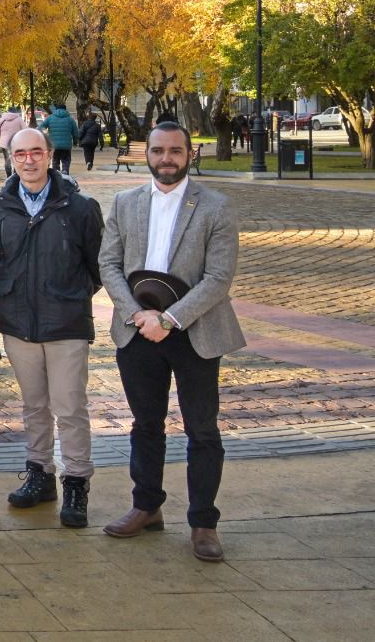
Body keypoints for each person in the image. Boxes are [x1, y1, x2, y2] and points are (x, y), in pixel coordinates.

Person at [99, 122, 244, 562]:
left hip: (195, 332)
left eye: (175, 151)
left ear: (189, 154)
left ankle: (203, 522)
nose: (167, 158)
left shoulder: (216, 206)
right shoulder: (125, 203)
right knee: (146, 425)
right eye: (159, 150)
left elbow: (219, 277)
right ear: (148, 154)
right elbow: (109, 264)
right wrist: (137, 315)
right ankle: (147, 506)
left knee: (202, 430)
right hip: (138, 331)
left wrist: (171, 317)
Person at [0, 127, 104, 528]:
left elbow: (98, 267)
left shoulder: (79, 207)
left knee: (70, 407)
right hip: (18, 321)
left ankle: (76, 481)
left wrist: (66, 295)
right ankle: (40, 473)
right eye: (21, 154)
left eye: (36, 152)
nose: (29, 160)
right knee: (34, 405)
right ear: (11, 158)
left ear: (49, 155)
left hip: (65, 321)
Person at [44, 105, 79, 175]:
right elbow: (75, 133)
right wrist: (75, 142)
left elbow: (41, 127)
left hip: (54, 145)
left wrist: (45, 139)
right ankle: (65, 172)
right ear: (65, 110)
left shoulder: (50, 118)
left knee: (55, 160)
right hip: (66, 145)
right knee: (66, 160)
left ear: (56, 109)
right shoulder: (70, 119)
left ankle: (56, 174)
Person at [0, 106, 25, 177]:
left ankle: (8, 176)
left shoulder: (1, 120)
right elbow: (25, 131)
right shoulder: (19, 120)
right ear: (15, 111)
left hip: (4, 143)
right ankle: (15, 175)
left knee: (7, 160)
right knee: (17, 159)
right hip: (16, 143)